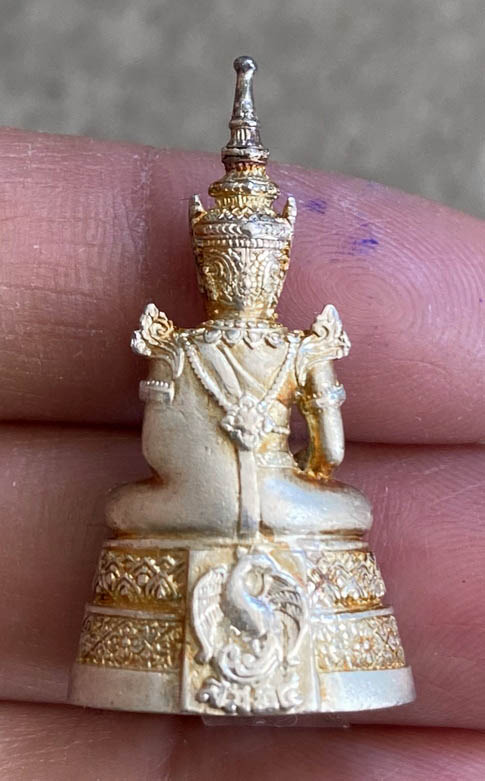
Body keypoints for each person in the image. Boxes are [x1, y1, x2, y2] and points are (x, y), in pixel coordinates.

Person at [0, 118, 484, 777]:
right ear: (276, 269)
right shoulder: (302, 349)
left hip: (187, 508)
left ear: (209, 272)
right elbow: (331, 453)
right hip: (288, 505)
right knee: (346, 505)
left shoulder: (176, 349)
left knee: (124, 505)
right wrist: (299, 470)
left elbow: (159, 451)